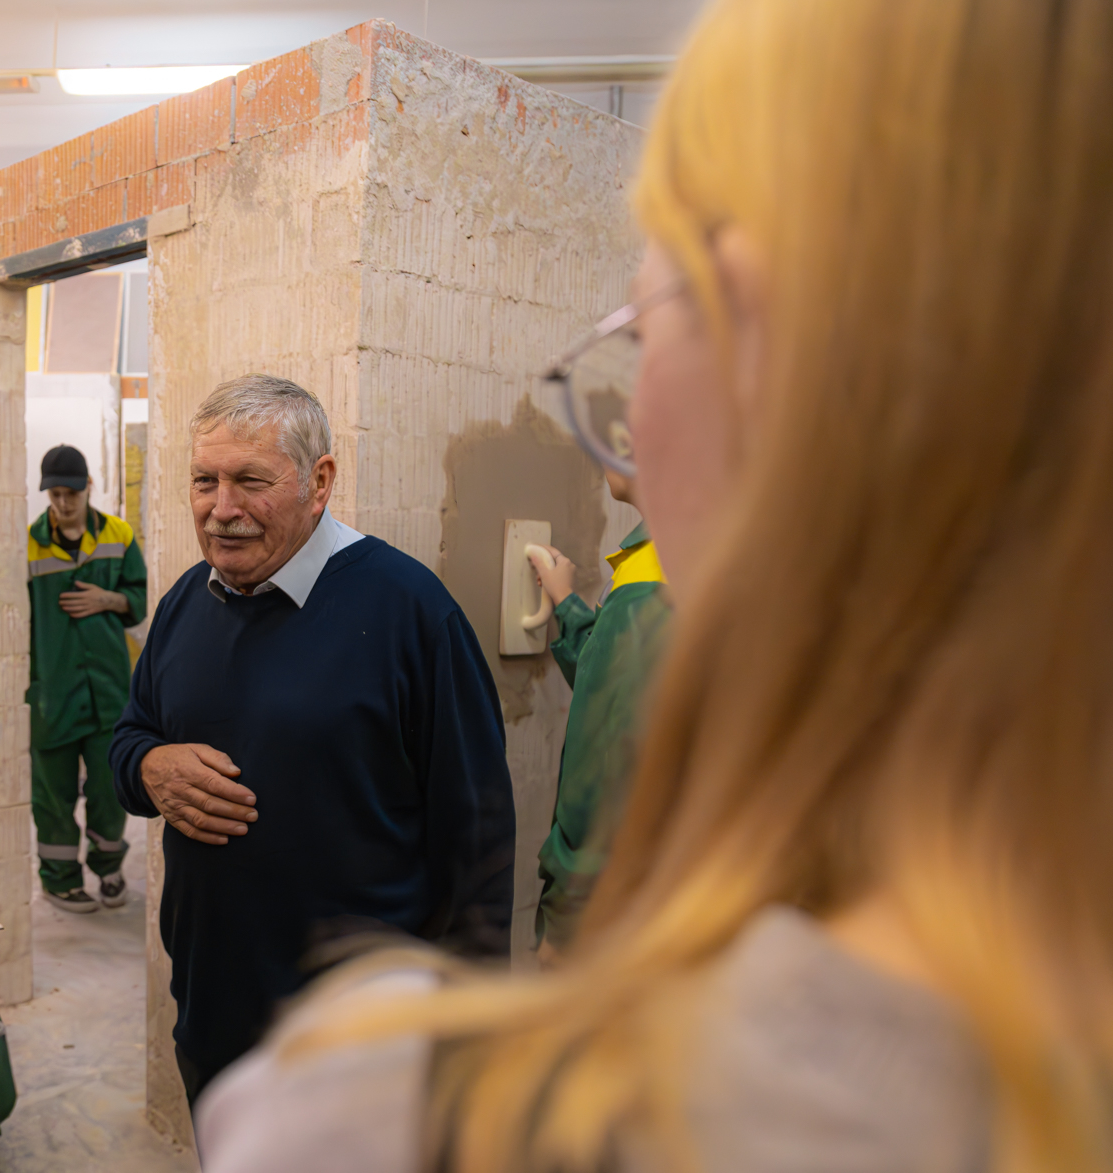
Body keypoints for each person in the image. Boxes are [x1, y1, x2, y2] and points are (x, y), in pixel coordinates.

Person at [194, 0, 1113, 1169]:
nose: (616, 449)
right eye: (203, 481)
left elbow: (483, 819)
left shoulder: (397, 1116)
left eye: (641, 328)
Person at [110, 374, 516, 1103]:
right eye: (204, 481)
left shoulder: (411, 614)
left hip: (362, 1052)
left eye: (250, 482)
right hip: (215, 1027)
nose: (221, 509)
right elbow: (128, 737)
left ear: (319, 481)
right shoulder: (184, 603)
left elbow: (477, 843)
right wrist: (148, 766)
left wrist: (466, 1048)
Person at [526, 467, 671, 957]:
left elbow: (603, 769)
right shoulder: (681, 558)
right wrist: (567, 604)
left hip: (603, 920)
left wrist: (565, 920)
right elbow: (613, 688)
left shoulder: (653, 579)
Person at [27, 443, 147, 912]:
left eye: (71, 493)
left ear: (88, 487)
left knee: (110, 788)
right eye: (54, 494)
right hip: (53, 693)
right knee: (52, 796)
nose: (63, 502)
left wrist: (108, 599)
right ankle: (59, 880)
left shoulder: (118, 534)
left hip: (108, 689)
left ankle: (109, 868)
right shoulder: (28, 545)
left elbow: (139, 597)